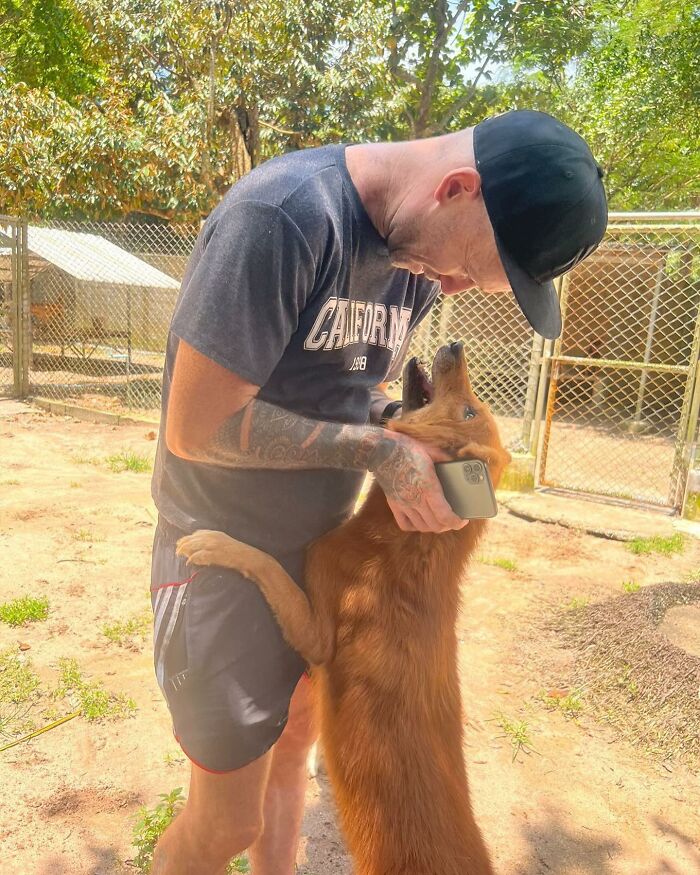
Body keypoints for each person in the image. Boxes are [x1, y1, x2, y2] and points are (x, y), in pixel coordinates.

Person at [149, 109, 607, 874]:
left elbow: (353, 385)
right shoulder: (287, 218)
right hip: (225, 551)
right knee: (224, 823)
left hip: (328, 548)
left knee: (296, 749)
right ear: (457, 189)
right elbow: (192, 427)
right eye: (468, 268)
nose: (452, 287)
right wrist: (381, 452)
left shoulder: (416, 259)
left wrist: (403, 428)